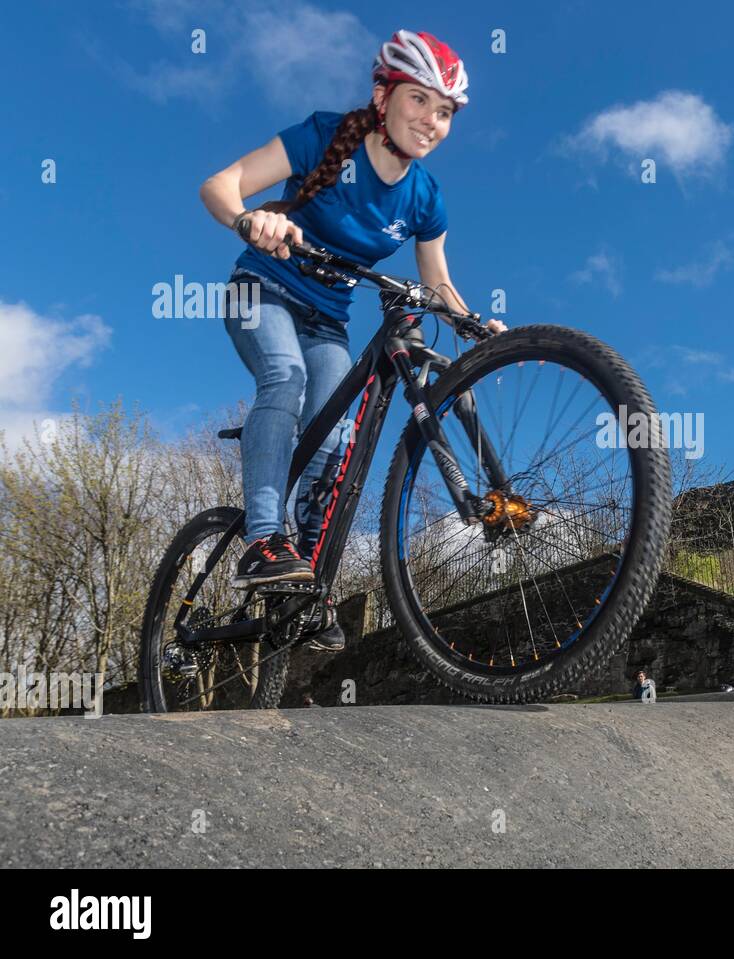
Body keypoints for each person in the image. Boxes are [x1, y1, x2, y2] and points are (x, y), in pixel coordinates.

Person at [198, 30, 504, 651]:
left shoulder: (425, 197)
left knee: (333, 436)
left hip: (325, 318)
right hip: (261, 289)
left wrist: (473, 322)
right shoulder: (323, 137)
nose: (432, 121)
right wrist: (248, 217)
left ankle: (305, 581)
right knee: (285, 377)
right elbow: (219, 184)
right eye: (420, 101)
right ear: (383, 95)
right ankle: (263, 539)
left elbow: (437, 282)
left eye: (444, 112)